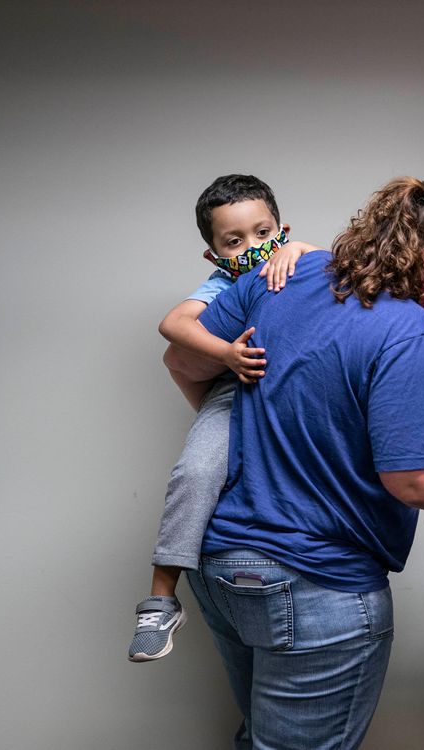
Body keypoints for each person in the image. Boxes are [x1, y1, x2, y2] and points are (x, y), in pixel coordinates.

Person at [169, 177, 424, 749]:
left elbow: (183, 359)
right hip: (314, 582)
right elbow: (414, 479)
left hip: (223, 567)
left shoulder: (287, 273)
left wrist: (258, 429)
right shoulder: (408, 332)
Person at [129, 174, 317, 662]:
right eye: (235, 241)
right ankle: (161, 599)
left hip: (292, 394)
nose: (253, 247)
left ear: (282, 229)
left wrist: (296, 249)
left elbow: (327, 262)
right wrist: (228, 355)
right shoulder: (218, 284)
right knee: (195, 472)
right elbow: (172, 326)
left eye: (263, 233)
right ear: (214, 255)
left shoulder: (298, 257)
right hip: (233, 391)